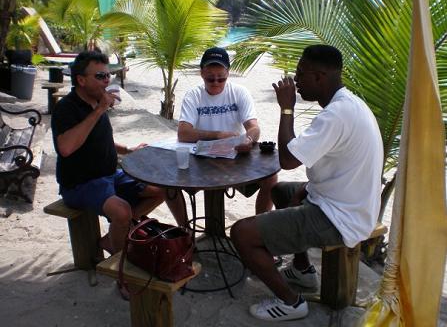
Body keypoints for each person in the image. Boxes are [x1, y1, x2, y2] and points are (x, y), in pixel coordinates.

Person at [230, 45, 383, 321]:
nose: (295, 81)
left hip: (340, 217)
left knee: (242, 234)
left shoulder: (335, 115)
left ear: (320, 76)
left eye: (301, 74)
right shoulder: (348, 104)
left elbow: (288, 159)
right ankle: (302, 270)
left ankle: (291, 302)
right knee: (280, 191)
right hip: (346, 202)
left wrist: (286, 109)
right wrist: (309, 188)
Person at [51, 51, 187, 256]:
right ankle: (121, 263)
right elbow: (66, 147)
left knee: (162, 190)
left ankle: (112, 238)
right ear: (80, 80)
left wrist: (127, 150)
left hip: (110, 175)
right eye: (100, 76)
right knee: (122, 211)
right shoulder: (66, 108)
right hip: (80, 184)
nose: (106, 81)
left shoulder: (96, 101)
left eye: (108, 76)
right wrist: (99, 110)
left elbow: (99, 140)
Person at [178, 47, 277, 214]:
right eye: (210, 79)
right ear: (202, 73)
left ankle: (259, 225)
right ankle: (184, 230)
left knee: (271, 178)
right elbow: (183, 133)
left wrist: (249, 140)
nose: (216, 83)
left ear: (228, 74)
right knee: (168, 187)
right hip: (202, 159)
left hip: (234, 158)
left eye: (221, 79)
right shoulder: (193, 95)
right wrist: (217, 135)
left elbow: (253, 127)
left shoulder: (239, 92)